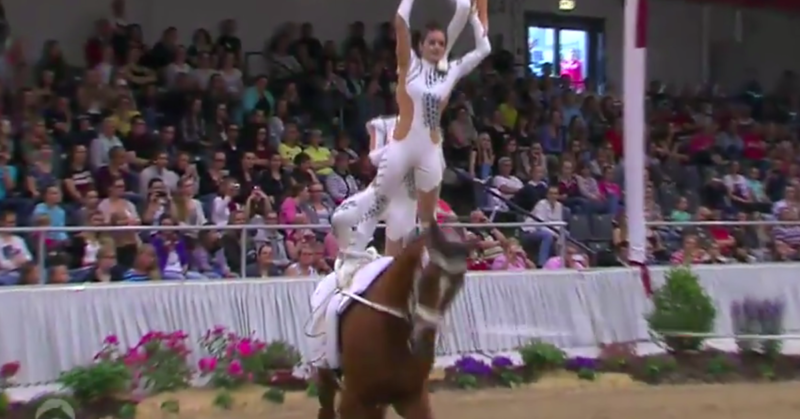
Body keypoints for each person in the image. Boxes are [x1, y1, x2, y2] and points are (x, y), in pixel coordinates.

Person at [330, 0, 490, 282]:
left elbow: (484, 49)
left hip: (429, 150)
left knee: (427, 220)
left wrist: (476, 19)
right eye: (432, 42)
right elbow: (401, 21)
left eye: (442, 43)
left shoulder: (449, 70)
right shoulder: (410, 64)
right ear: (421, 45)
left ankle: (425, 270)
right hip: (402, 147)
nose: (438, 47)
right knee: (377, 201)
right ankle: (353, 254)